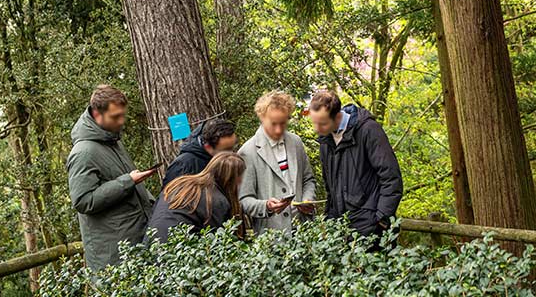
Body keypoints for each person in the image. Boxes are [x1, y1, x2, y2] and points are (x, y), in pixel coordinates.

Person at [67, 85, 157, 270]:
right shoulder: (83, 153)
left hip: (137, 243)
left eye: (122, 114)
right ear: (97, 114)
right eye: (116, 117)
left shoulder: (113, 141)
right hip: (114, 257)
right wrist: (127, 182)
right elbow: (83, 201)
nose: (122, 121)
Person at [307, 88, 403, 240]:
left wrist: (381, 220)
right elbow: (330, 188)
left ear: (337, 116)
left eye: (322, 124)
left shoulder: (368, 130)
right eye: (315, 123)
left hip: (372, 230)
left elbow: (391, 178)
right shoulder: (325, 141)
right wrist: (329, 222)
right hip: (341, 232)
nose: (317, 129)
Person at [238, 90, 317, 235]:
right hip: (271, 238)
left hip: (304, 233)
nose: (279, 129)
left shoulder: (296, 142)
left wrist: (307, 199)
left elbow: (308, 180)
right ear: (262, 117)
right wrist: (266, 206)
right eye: (273, 123)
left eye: (283, 123)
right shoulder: (247, 152)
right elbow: (244, 200)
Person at [147, 151, 245, 242]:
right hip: (177, 250)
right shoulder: (216, 200)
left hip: (151, 243)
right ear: (230, 178)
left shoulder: (180, 183)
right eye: (240, 176)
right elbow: (216, 241)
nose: (241, 181)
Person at [162, 118, 237, 188]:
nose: (231, 154)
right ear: (207, 147)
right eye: (226, 150)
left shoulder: (221, 160)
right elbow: (168, 199)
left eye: (232, 148)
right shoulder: (183, 166)